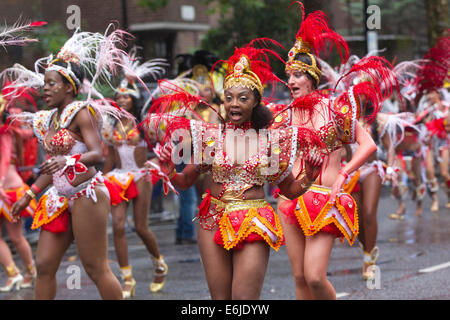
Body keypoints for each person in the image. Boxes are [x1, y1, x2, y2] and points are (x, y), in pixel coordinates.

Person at [142, 39, 324, 299]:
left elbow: (290, 190)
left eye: (242, 98)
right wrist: (169, 168)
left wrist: (310, 175)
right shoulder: (210, 137)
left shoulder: (270, 141)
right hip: (211, 219)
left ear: (255, 102)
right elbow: (184, 182)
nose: (234, 104)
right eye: (229, 98)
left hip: (253, 220)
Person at [270, 1, 393, 300]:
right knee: (299, 278)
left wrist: (344, 175)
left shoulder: (334, 111)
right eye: (289, 76)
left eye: (298, 75)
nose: (291, 81)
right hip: (289, 201)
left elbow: (368, 144)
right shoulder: (282, 116)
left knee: (314, 277)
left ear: (311, 78)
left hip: (325, 200)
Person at [8, 26, 129, 299]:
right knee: (44, 265)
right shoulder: (46, 120)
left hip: (87, 194)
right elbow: (52, 169)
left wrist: (67, 158)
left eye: (52, 83)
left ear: (68, 86)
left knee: (95, 267)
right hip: (58, 196)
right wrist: (29, 194)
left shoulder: (81, 112)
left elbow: (98, 153)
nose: (45, 88)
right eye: (44, 83)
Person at [102, 49, 169, 297]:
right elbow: (110, 155)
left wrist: (158, 161)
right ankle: (127, 277)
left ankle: (159, 264)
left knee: (141, 227)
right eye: (118, 97)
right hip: (118, 177)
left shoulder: (145, 123)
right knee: (118, 227)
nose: (120, 100)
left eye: (125, 97)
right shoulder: (111, 125)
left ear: (134, 99)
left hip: (141, 176)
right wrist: (100, 178)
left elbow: (166, 144)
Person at [0, 92, 37, 292]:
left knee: (15, 236)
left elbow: (5, 159)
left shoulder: (5, 132)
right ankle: (13, 274)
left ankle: (31, 272)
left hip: (9, 189)